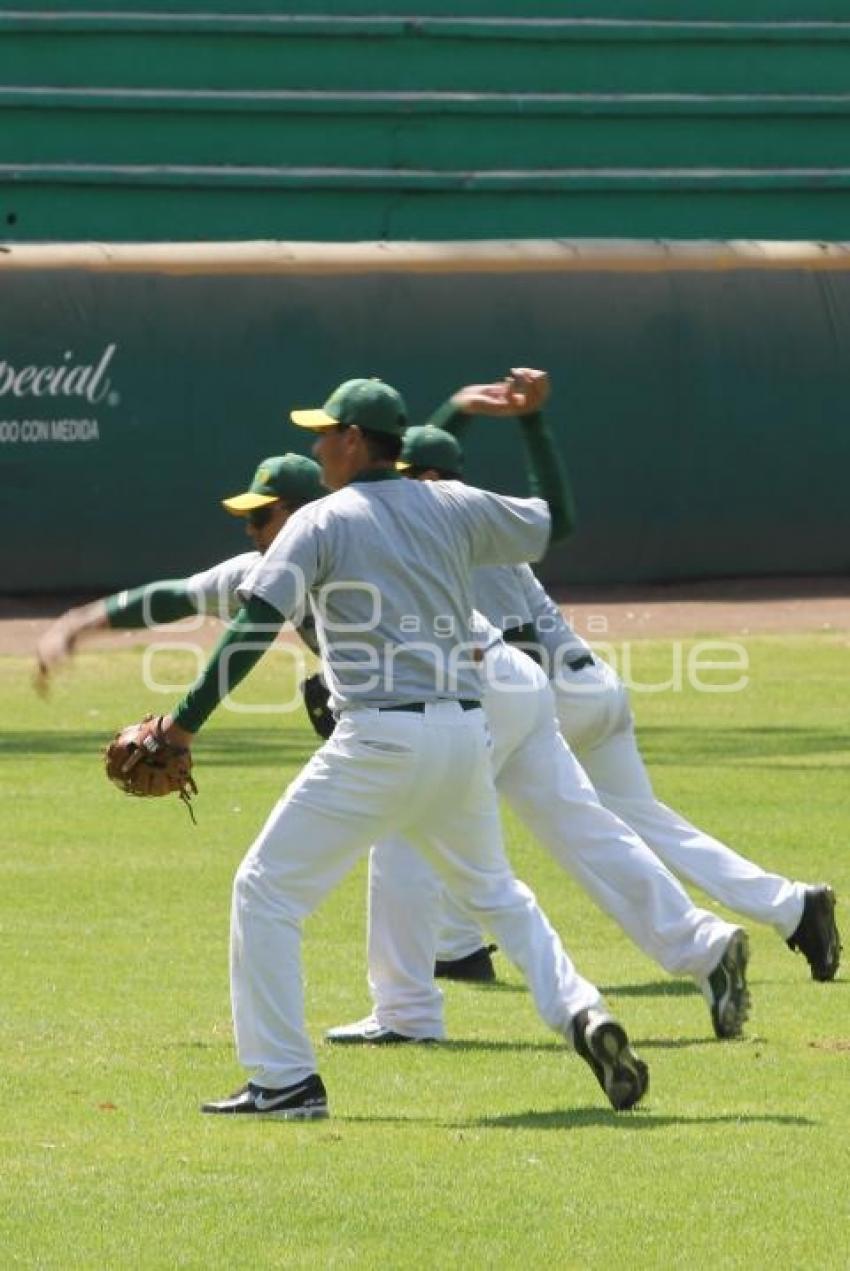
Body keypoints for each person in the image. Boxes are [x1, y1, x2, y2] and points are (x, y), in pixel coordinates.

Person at [131, 375, 650, 1119]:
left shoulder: (320, 521)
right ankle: (582, 1011)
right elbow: (556, 520)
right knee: (500, 893)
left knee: (265, 890)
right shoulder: (453, 503)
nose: (316, 446)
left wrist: (179, 726)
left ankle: (283, 1080)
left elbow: (251, 625)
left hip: (378, 734)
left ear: (350, 441)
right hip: (464, 732)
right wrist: (534, 424)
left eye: (324, 433)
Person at [325, 385, 752, 1049]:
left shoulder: (371, 513)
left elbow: (400, 469)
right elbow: (533, 508)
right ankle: (703, 943)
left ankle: (405, 1009)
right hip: (519, 683)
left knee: (404, 825)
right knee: (586, 828)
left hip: (479, 683)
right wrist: (517, 419)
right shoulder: (446, 507)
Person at [415, 389, 840, 987]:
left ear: (431, 479)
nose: (396, 493)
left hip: (554, 694)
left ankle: (456, 947)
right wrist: (456, 408)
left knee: (443, 792)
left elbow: (521, 640)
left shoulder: (460, 537)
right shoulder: (469, 521)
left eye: (409, 478)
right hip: (591, 687)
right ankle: (794, 907)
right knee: (643, 823)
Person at [35, 453, 326, 683]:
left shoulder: (354, 552)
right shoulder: (263, 572)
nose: (250, 528)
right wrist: (74, 625)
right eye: (248, 516)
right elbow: (171, 598)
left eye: (260, 515)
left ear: (302, 513)